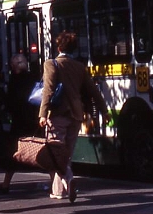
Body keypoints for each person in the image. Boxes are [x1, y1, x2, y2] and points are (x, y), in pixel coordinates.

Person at [39, 31, 107, 202]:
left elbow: (48, 90)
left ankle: (69, 180)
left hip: (57, 115)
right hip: (76, 115)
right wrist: (104, 111)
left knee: (55, 154)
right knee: (66, 154)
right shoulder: (79, 67)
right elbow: (93, 91)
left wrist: (42, 114)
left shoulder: (51, 64)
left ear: (59, 47)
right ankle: (59, 191)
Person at [0, 53, 42, 194]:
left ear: (14, 67)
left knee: (13, 153)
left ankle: (6, 184)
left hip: (19, 121)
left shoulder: (14, 81)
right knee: (42, 150)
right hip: (34, 119)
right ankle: (56, 183)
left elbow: (10, 104)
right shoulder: (34, 77)